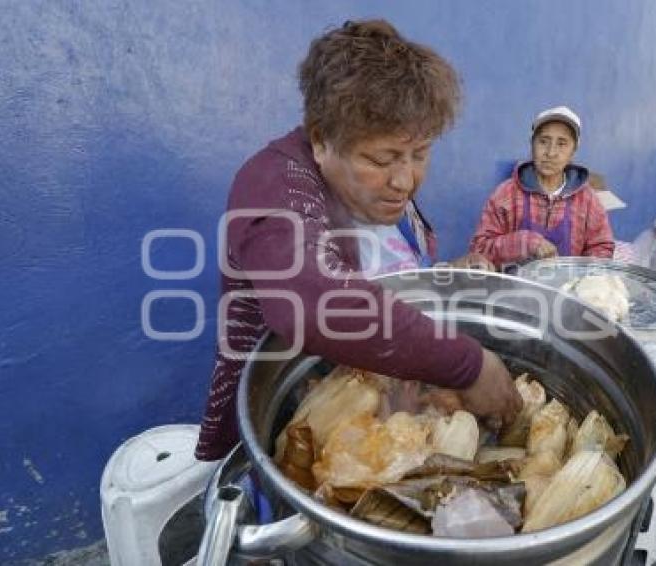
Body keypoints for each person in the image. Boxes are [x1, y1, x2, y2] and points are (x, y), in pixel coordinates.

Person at [196, 19, 521, 461]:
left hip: (398, 417)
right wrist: (469, 364)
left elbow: (391, 279)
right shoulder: (274, 185)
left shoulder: (389, 199)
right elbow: (313, 301)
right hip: (294, 439)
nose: (406, 180)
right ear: (321, 140)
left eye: (420, 154)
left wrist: (446, 274)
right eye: (381, 158)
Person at [469, 106, 614, 270]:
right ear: (532, 144)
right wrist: (524, 242)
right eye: (544, 141)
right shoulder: (505, 194)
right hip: (511, 290)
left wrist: (581, 279)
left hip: (565, 291)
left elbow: (602, 248)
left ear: (573, 151)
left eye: (562, 144)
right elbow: (479, 249)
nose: (551, 153)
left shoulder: (587, 200)